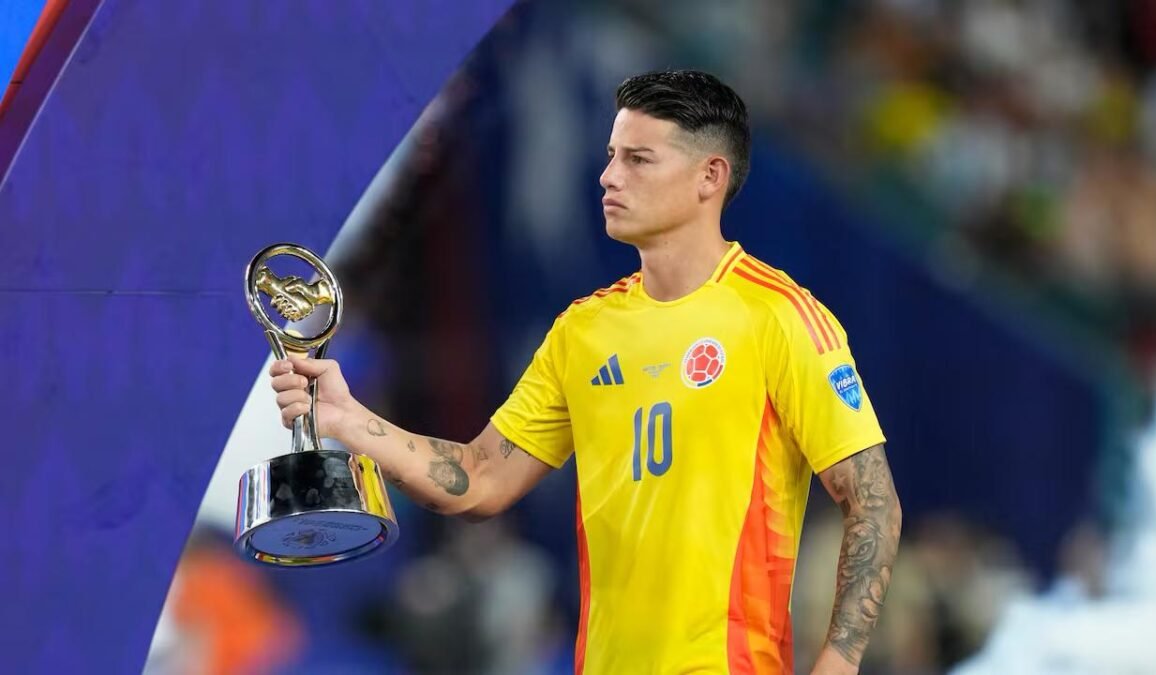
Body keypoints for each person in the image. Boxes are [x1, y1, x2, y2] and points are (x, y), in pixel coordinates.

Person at [270, 70, 902, 675]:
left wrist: (839, 660)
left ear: (709, 176)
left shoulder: (778, 316)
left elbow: (873, 501)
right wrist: (346, 418)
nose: (609, 176)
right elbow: (480, 478)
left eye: (638, 159)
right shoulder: (583, 331)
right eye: (611, 156)